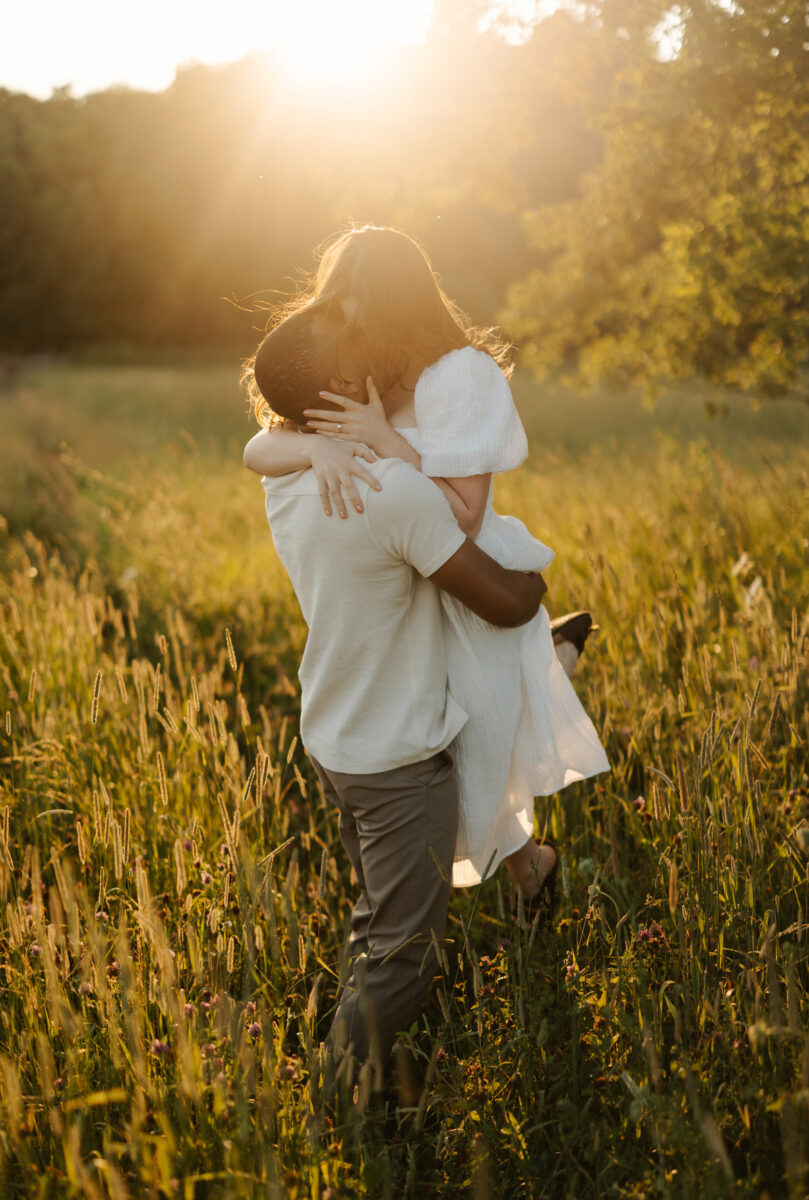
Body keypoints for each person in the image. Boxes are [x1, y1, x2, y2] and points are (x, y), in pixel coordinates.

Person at [244, 225, 610, 899]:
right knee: (460, 765)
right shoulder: (353, 370)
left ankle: (550, 662)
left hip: (461, 573)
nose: (343, 323)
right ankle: (534, 866)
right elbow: (257, 449)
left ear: (396, 302)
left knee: (473, 759)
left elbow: (464, 511)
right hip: (398, 585)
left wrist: (381, 438)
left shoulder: (458, 375)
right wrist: (313, 450)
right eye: (336, 306)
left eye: (356, 308)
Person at [247, 308, 547, 1069]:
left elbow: (260, 446)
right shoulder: (389, 493)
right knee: (407, 956)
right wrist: (535, 579)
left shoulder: (290, 477)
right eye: (358, 346)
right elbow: (504, 601)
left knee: (380, 916)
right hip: (398, 757)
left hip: (336, 734)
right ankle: (333, 1099)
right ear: (345, 384)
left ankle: (359, 1071)